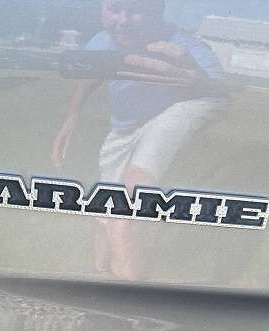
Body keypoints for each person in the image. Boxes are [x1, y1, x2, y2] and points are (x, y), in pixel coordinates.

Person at [52, 0, 227, 279]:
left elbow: (219, 91)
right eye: (114, 9)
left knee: (126, 215)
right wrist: (72, 116)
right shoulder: (102, 41)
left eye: (136, 11)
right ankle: (100, 275)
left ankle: (127, 299)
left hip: (168, 116)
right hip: (123, 130)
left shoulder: (185, 47)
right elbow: (90, 74)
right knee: (103, 215)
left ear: (157, 11)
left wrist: (197, 80)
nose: (123, 20)